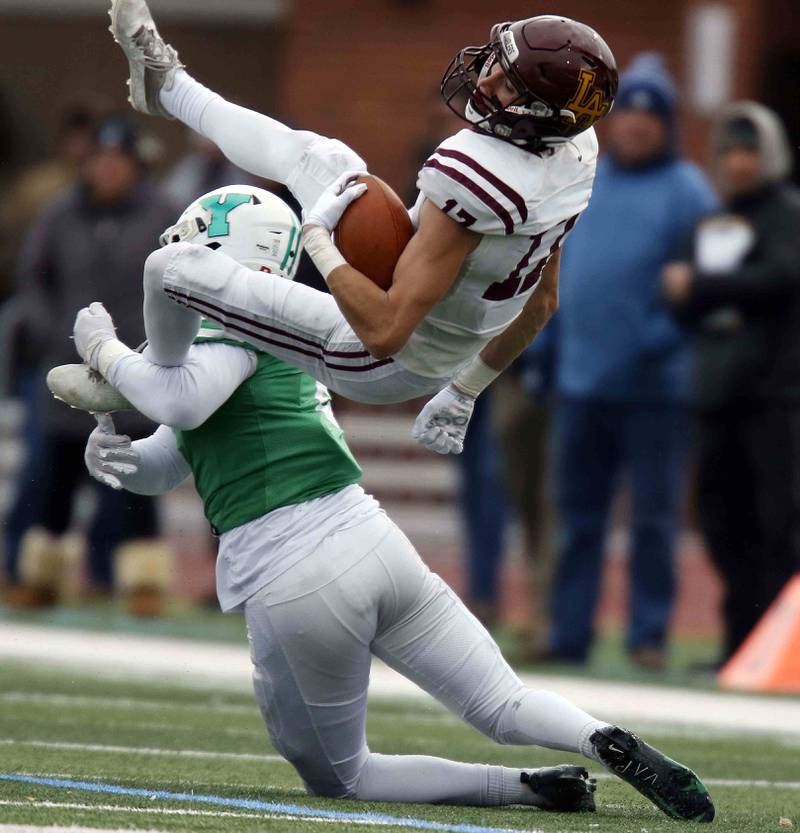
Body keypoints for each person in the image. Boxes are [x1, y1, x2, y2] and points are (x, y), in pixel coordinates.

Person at [55, 184, 713, 820]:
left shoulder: (231, 334)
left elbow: (181, 401)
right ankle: (603, 739)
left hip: (294, 568)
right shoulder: (268, 335)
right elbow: (172, 453)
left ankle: (513, 787)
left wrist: (105, 351)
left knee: (339, 775)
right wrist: (116, 457)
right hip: (368, 538)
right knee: (503, 699)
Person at [57, 3, 619, 455]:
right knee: (319, 156)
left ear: (544, 118)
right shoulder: (573, 155)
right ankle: (168, 87)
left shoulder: (476, 182)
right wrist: (465, 389)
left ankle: (130, 370)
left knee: (172, 267)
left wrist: (319, 244)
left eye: (510, 85)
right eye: (499, 60)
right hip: (428, 328)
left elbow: (386, 331)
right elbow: (542, 303)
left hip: (377, 358)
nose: (489, 76)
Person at [546, 54, 717, 668]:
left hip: (654, 389)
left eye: (653, 116)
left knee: (652, 518)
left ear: (667, 124)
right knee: (577, 518)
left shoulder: (691, 192)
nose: (639, 126)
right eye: (631, 115)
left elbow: (708, 288)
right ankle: (569, 635)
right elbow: (556, 271)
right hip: (581, 381)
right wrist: (546, 353)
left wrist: (659, 336)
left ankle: (648, 636)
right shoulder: (586, 181)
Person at [4, 115, 177, 609]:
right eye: (99, 160)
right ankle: (42, 572)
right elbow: (34, 279)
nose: (107, 170)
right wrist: (49, 330)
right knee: (52, 476)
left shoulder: (161, 213)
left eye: (117, 160)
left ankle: (140, 579)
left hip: (134, 366)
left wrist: (156, 342)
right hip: (68, 366)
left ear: (133, 165)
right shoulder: (60, 214)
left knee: (132, 470)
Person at [663, 102, 800, 664]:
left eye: (750, 151)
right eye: (730, 152)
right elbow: (686, 304)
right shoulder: (716, 221)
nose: (740, 163)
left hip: (773, 397)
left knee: (777, 526)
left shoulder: (785, 214)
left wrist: (701, 284)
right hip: (718, 395)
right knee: (722, 521)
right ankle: (739, 645)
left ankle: (776, 650)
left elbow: (779, 277)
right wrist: (687, 293)